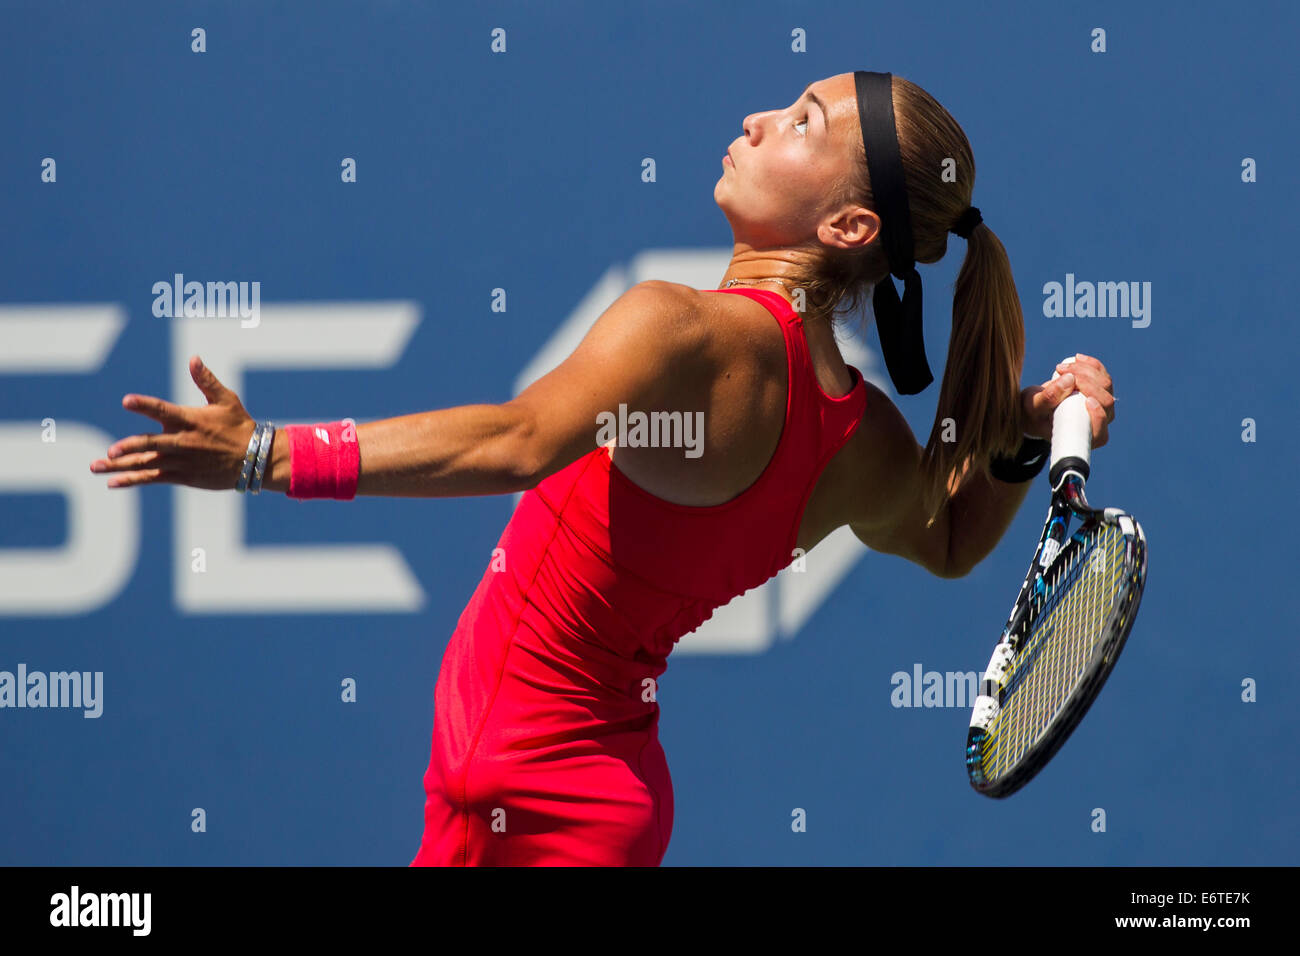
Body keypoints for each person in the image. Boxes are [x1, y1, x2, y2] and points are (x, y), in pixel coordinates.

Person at [89, 71, 1116, 866]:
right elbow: (947, 537)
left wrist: (265, 455)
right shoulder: (861, 440)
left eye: (803, 121)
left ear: (848, 227)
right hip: (586, 800)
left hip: (525, 795)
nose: (759, 118)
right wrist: (1021, 441)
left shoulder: (682, 329)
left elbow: (512, 440)